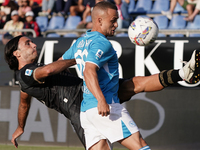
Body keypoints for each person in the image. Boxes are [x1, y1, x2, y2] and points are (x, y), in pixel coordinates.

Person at [5, 30, 199, 149]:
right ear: (17, 53)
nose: (33, 43)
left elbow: (24, 102)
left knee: (136, 83)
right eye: (27, 43)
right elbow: (47, 71)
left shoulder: (28, 79)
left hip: (92, 92)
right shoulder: (25, 75)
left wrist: (21, 126)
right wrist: (81, 58)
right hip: (80, 110)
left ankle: (183, 74)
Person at [61, 1, 200, 150]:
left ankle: (182, 73)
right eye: (113, 20)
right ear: (99, 20)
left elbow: (60, 65)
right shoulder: (102, 43)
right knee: (140, 146)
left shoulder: (80, 42)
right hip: (106, 106)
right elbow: (89, 71)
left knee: (137, 83)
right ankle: (184, 73)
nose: (116, 24)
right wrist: (101, 100)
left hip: (87, 111)